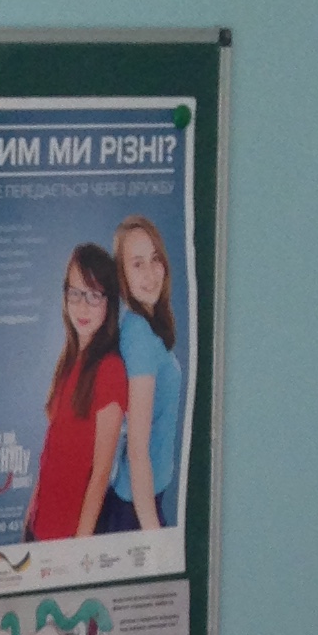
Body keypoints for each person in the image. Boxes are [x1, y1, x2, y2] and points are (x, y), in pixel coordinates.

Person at [26, 245, 128, 543]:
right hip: (38, 527)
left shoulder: (110, 370)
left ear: (109, 302)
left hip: (69, 538)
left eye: (94, 295)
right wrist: (29, 514)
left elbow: (100, 474)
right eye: (75, 293)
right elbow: (52, 449)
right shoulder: (70, 359)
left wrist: (79, 549)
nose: (83, 307)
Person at [104, 214, 183, 534]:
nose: (150, 274)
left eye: (155, 259)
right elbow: (137, 449)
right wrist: (153, 535)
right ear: (122, 275)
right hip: (136, 509)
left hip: (146, 496)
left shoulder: (146, 326)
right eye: (137, 264)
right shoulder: (139, 335)